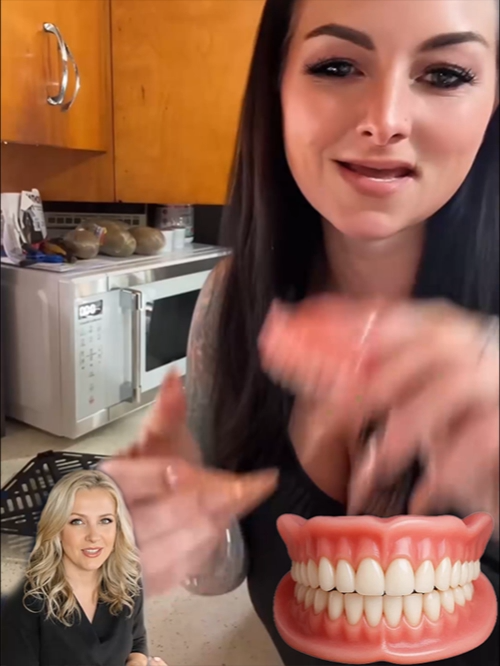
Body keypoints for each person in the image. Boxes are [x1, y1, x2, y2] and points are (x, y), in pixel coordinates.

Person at [100, 0, 499, 664]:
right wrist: (185, 525)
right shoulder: (229, 303)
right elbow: (227, 566)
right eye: (337, 66)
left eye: (446, 74)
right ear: (277, 86)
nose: (386, 120)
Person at [0, 470, 167, 666]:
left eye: (105, 520)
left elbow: (137, 641)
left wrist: (138, 663)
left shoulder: (127, 583)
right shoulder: (26, 606)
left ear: (118, 528)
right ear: (57, 529)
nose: (94, 536)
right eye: (77, 521)